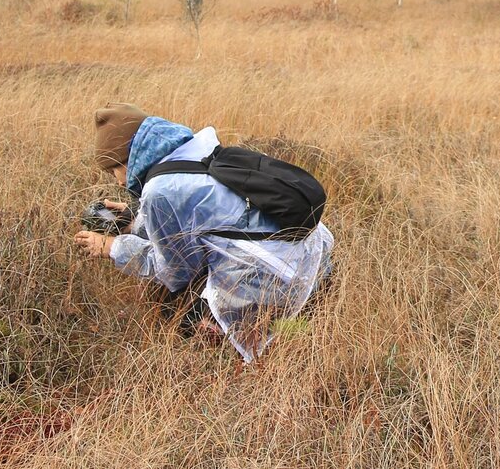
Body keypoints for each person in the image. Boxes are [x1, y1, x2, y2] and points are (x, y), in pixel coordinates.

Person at [75, 103, 334, 362]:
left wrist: (113, 247)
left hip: (279, 279)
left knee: (174, 308)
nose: (118, 181)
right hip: (314, 256)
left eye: (114, 169)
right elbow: (204, 222)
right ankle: (310, 326)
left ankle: (296, 333)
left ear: (130, 156)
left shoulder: (159, 190)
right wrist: (136, 223)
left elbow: (175, 272)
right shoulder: (196, 149)